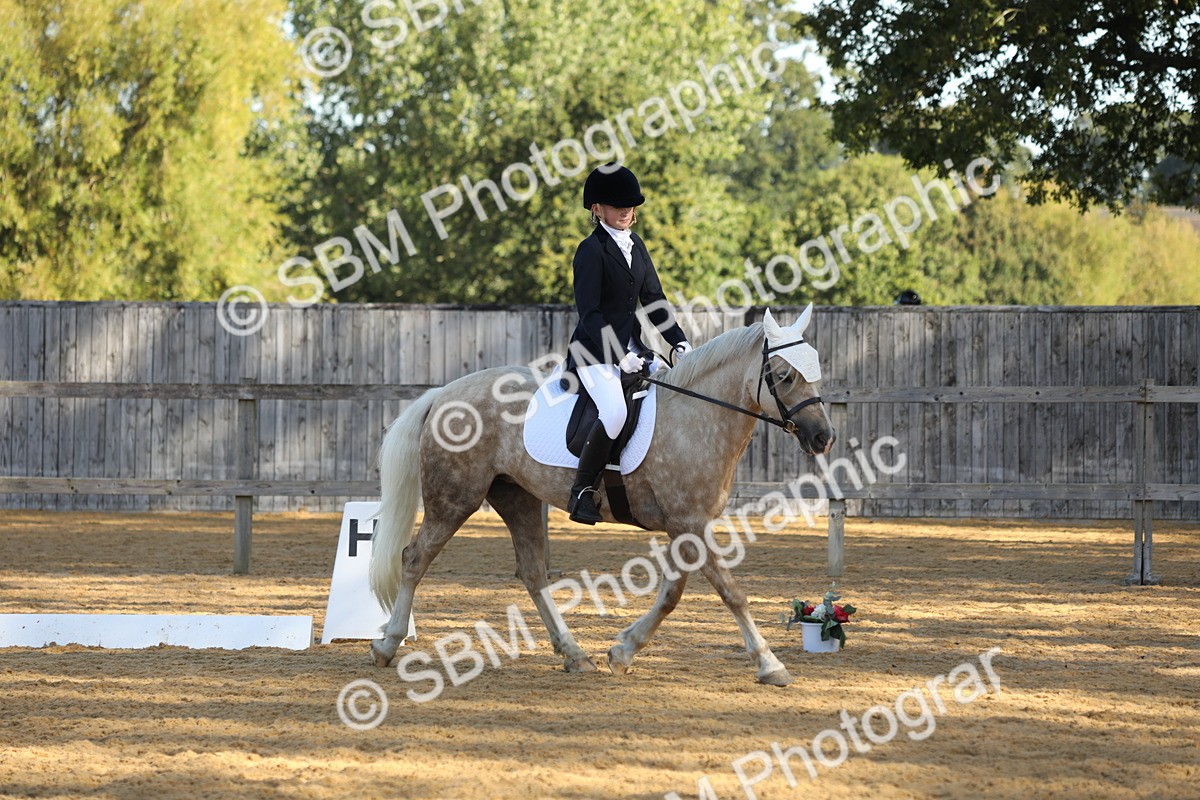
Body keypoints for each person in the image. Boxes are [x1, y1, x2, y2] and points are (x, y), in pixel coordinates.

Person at [563, 163, 692, 524]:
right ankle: (583, 491)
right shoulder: (590, 251)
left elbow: (654, 301)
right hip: (593, 353)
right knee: (616, 412)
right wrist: (619, 355)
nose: (625, 210)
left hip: (634, 349)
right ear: (596, 209)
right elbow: (589, 313)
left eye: (630, 204)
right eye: (617, 204)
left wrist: (679, 342)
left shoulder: (636, 245)